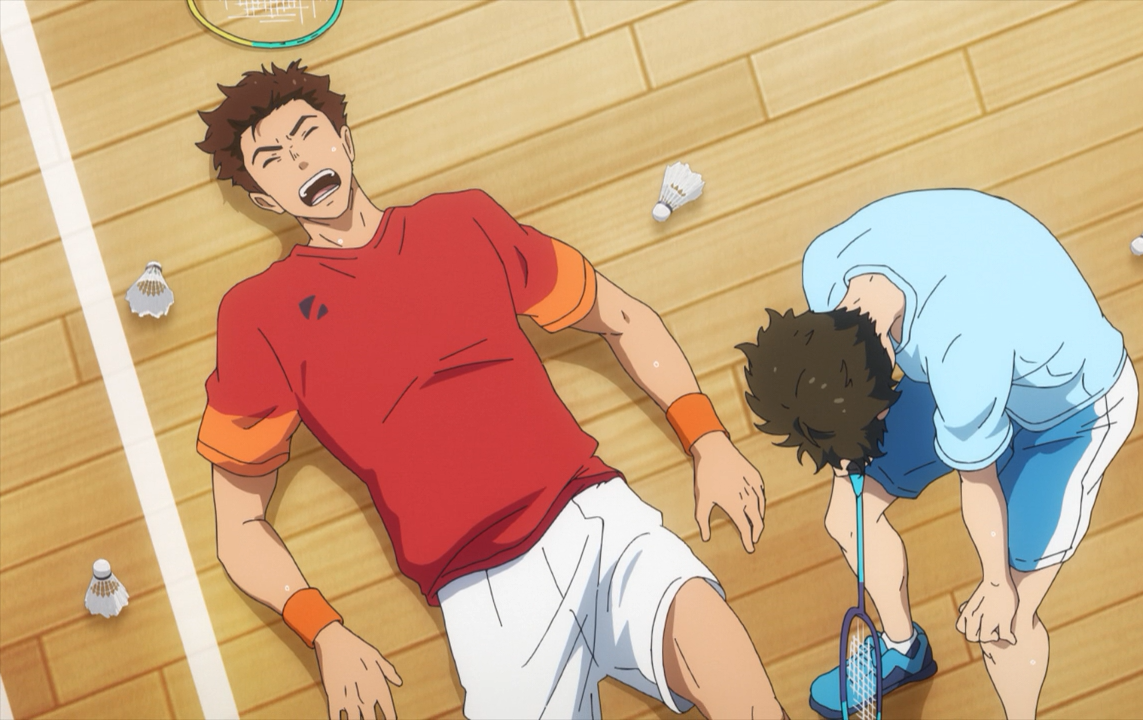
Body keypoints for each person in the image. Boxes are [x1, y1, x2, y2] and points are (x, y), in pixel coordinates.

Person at [195, 61, 785, 720]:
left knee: (742, 691)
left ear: (346, 139)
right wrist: (324, 632)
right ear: (265, 201)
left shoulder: (464, 221)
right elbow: (238, 526)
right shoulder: (257, 316)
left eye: (308, 134)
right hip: (483, 595)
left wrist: (708, 440)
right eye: (273, 160)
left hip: (594, 516)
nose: (300, 159)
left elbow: (621, 316)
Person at [737, 189, 1138, 719]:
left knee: (1004, 624)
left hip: (1069, 413)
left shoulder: (962, 344)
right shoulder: (826, 267)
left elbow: (979, 480)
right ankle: (903, 650)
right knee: (848, 517)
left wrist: (996, 584)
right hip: (960, 372)